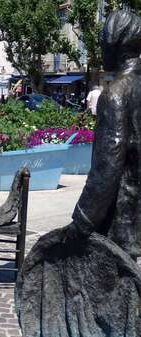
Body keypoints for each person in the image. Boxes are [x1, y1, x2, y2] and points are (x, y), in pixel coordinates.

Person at [65, 9, 141, 260]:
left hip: (120, 219)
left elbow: (108, 167)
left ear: (113, 45)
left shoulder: (116, 93)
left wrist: (82, 220)